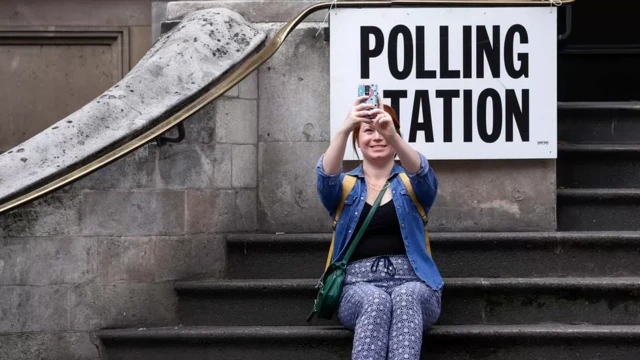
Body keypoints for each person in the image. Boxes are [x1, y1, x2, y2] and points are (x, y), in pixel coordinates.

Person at [316, 93, 443, 360]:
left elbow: (423, 174)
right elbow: (326, 176)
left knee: (406, 297)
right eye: (367, 131)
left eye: (383, 130)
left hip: (416, 283)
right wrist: (345, 127)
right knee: (376, 301)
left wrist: (393, 134)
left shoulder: (411, 185)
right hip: (355, 287)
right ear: (357, 142)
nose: (377, 137)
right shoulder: (346, 187)